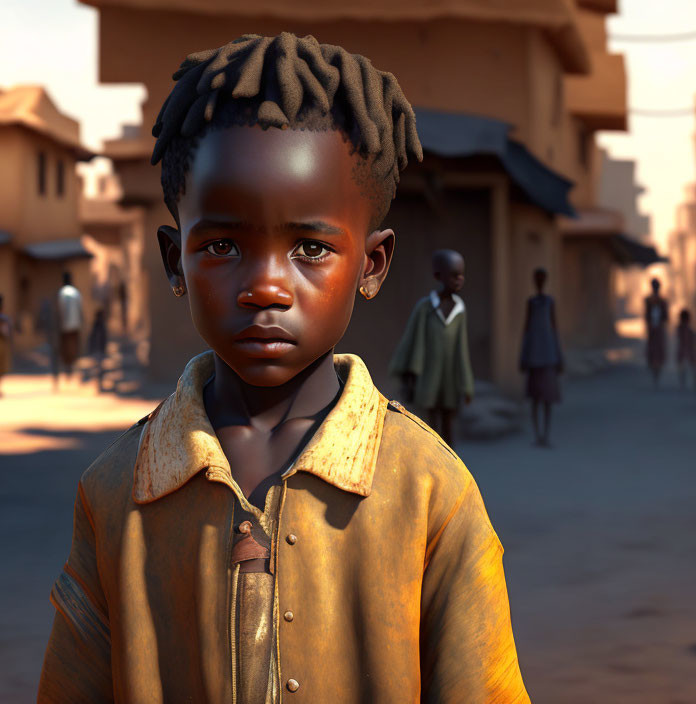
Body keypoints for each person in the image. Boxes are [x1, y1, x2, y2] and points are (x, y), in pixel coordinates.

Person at [38, 33, 528, 703]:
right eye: (221, 245)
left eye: (308, 247)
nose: (265, 286)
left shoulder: (429, 491)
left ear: (371, 264)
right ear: (173, 261)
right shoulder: (117, 493)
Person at [387, 249, 474, 447]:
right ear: (438, 276)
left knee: (448, 423)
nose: (459, 280)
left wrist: (466, 384)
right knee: (431, 425)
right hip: (428, 377)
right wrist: (409, 373)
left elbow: (462, 349)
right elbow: (412, 340)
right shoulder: (425, 308)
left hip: (449, 379)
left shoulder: (460, 310)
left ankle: (450, 466)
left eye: (461, 275)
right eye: (453, 275)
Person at [519, 267, 563, 446]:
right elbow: (526, 329)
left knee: (547, 399)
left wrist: (559, 356)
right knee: (536, 399)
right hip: (534, 357)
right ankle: (538, 435)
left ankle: (545, 434)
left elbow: (554, 329)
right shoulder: (531, 303)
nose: (539, 282)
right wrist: (523, 355)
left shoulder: (549, 302)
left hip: (548, 356)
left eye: (541, 279)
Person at [56, 271, 83, 379]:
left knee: (66, 347)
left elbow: (60, 310)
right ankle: (71, 365)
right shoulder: (76, 293)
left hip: (65, 326)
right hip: (75, 325)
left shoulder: (62, 293)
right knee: (73, 346)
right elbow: (80, 309)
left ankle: (68, 366)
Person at [644, 277, 669, 387]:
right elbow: (647, 315)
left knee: (657, 350)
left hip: (658, 329)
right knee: (654, 350)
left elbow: (665, 317)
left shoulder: (662, 301)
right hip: (653, 329)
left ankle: (656, 373)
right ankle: (655, 372)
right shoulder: (649, 300)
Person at [86, 307, 108, 393]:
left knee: (99, 368)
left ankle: (99, 384)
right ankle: (99, 384)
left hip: (98, 349)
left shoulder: (98, 325)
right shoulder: (98, 326)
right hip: (97, 350)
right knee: (99, 368)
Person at [676, 309, 695, 389]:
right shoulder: (687, 330)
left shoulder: (680, 329)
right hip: (687, 351)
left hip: (685, 351)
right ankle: (686, 383)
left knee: (686, 368)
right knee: (688, 368)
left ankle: (685, 383)